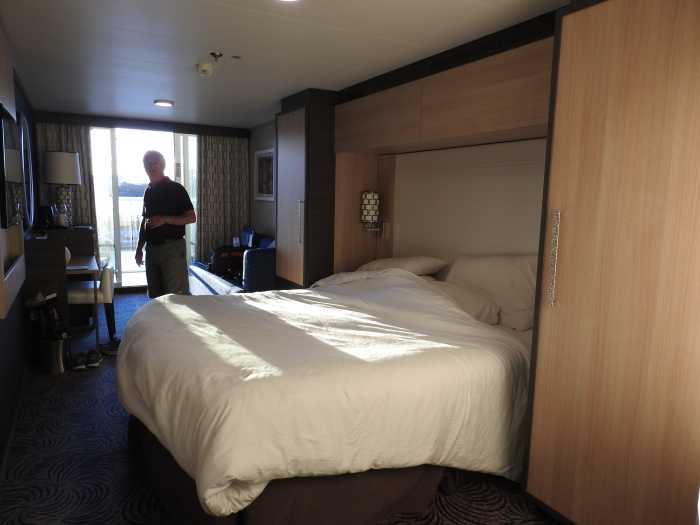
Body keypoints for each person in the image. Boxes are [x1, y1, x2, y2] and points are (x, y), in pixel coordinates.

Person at [135, 150, 196, 298]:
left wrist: (165, 219)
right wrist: (139, 247)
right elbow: (145, 221)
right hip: (151, 250)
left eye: (154, 162)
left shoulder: (176, 189)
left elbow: (191, 217)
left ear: (162, 165)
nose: (151, 166)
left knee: (177, 297)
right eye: (147, 163)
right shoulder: (148, 191)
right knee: (156, 298)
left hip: (172, 249)